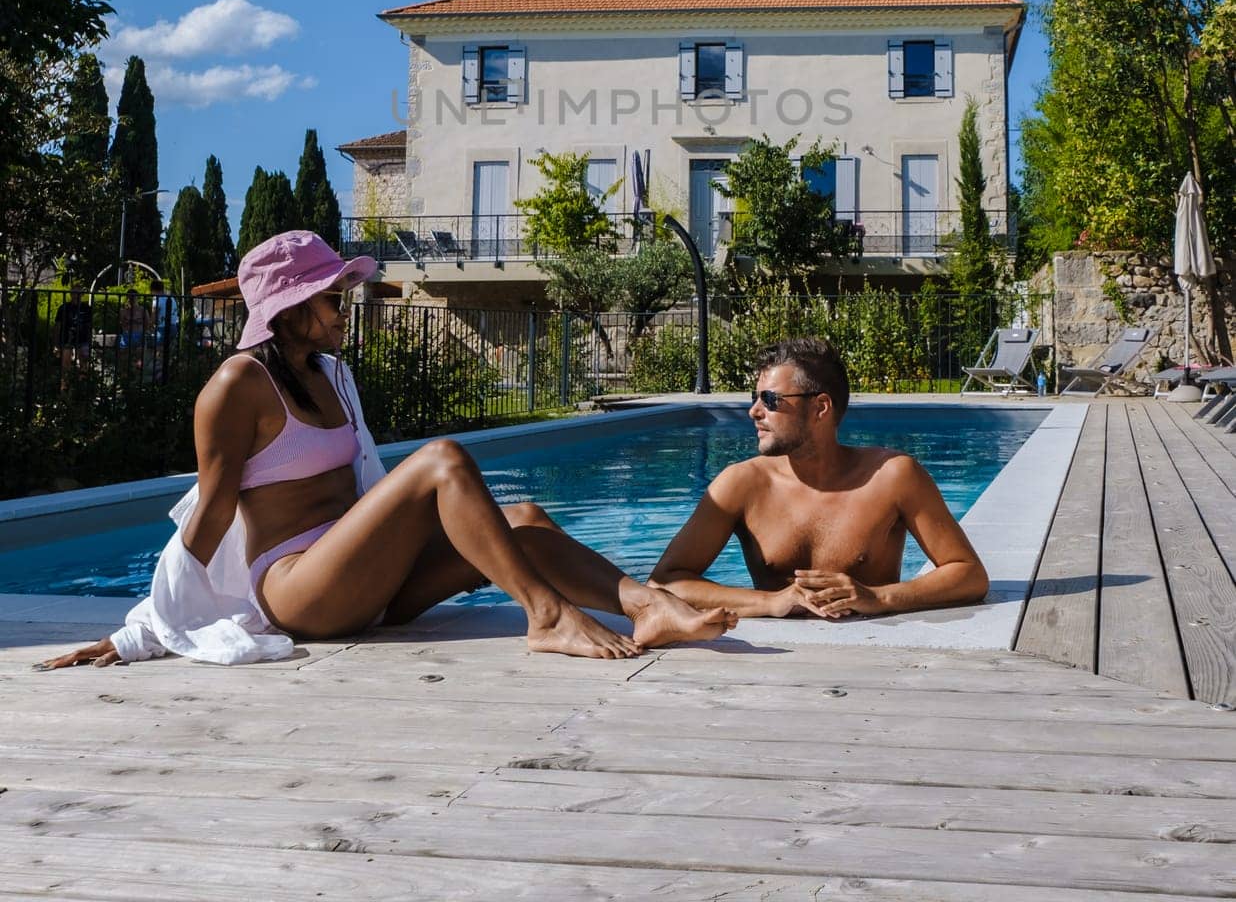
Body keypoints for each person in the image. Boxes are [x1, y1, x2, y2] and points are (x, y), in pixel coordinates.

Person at [39, 230, 733, 672]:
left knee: (521, 519)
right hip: (302, 590)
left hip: (368, 581)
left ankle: (646, 605)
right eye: (333, 296)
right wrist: (141, 630)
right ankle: (546, 617)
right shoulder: (235, 386)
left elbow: (366, 490)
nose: (348, 306)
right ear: (288, 308)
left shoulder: (331, 374)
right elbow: (209, 515)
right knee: (441, 459)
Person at [650, 338, 989, 620]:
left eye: (769, 399)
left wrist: (878, 597)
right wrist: (771, 602)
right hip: (768, 669)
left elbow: (969, 574)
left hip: (878, 664)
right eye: (754, 398)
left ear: (821, 408)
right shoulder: (741, 484)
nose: (754, 411)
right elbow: (664, 582)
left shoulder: (893, 476)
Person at [53, 284, 92, 387]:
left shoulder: (86, 308)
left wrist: (90, 341)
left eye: (79, 293)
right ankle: (64, 388)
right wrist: (56, 344)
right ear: (70, 294)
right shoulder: (64, 308)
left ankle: (82, 387)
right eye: (74, 293)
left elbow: (89, 325)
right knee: (65, 365)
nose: (76, 296)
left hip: (82, 338)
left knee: (84, 363)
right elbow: (57, 326)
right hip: (67, 338)